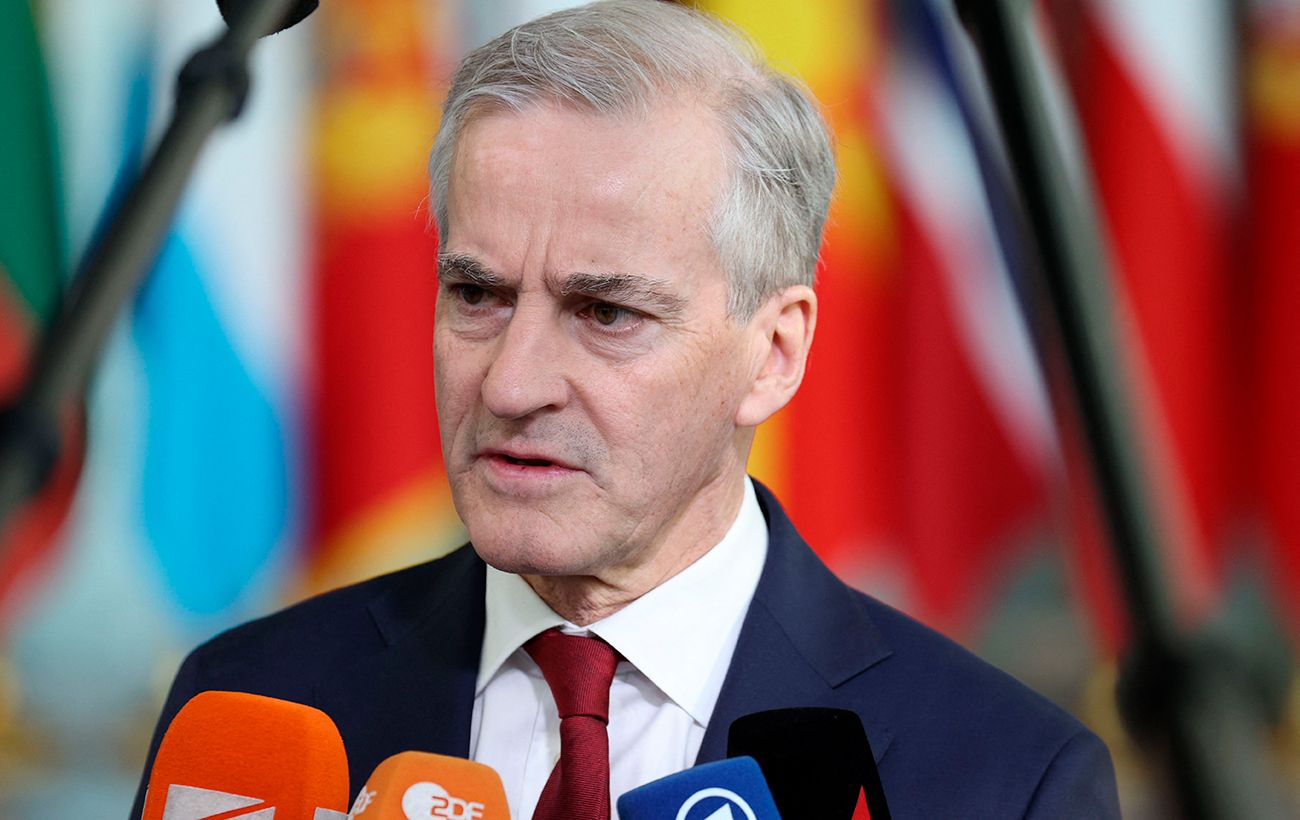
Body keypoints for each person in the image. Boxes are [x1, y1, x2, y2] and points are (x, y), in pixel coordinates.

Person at [132, 1, 1120, 817]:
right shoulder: (251, 705)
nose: (511, 385)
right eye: (476, 294)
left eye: (605, 313)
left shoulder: (1003, 779)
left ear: (774, 354)